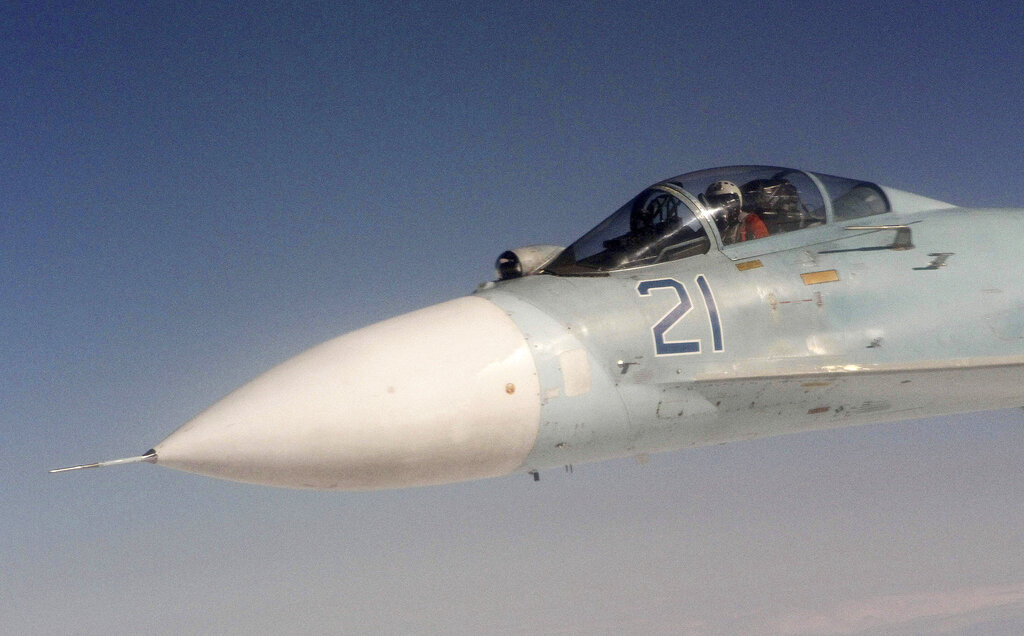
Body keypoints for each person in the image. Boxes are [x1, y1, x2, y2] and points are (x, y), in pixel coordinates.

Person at [704, 180, 768, 244]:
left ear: (738, 201)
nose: (721, 206)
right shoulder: (708, 227)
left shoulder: (751, 221)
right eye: (715, 202)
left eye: (726, 200)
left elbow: (763, 245)